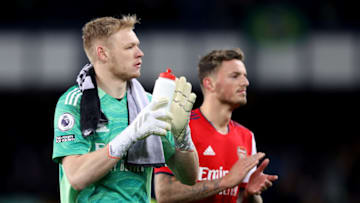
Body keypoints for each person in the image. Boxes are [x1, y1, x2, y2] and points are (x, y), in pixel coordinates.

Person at [52, 15, 199, 203]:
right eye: (129, 47)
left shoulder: (148, 104)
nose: (140, 53)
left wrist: (183, 138)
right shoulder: (74, 102)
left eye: (137, 45)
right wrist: (131, 135)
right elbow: (77, 177)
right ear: (103, 53)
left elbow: (189, 177)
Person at [154, 48, 278, 203]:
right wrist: (225, 181)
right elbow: (165, 194)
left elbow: (239, 198)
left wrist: (250, 194)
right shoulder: (182, 127)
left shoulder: (246, 136)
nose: (245, 82)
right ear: (209, 84)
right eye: (235, 76)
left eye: (245, 76)